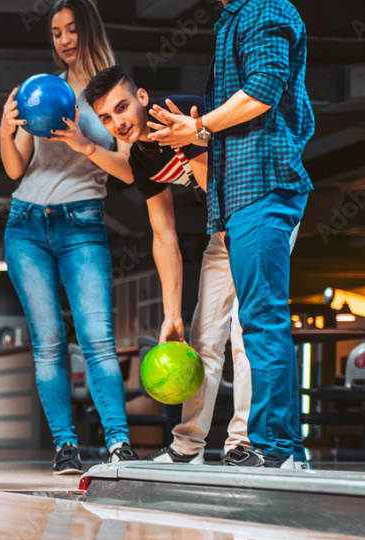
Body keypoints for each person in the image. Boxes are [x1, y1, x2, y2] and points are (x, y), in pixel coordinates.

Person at [147, 0, 313, 469]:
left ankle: (278, 448)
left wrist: (198, 124)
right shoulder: (232, 19)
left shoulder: (264, 9)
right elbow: (241, 120)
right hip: (240, 198)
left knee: (261, 321)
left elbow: (262, 92)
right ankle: (264, 444)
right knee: (254, 322)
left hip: (265, 186)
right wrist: (198, 135)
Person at [85, 65, 252, 466]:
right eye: (105, 117)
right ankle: (188, 446)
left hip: (256, 216)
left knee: (246, 333)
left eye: (121, 107)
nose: (117, 123)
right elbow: (164, 235)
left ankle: (245, 443)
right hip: (223, 228)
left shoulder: (179, 112)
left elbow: (216, 187)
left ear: (142, 97)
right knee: (202, 335)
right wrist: (170, 314)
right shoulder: (142, 158)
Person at [0, 0, 138, 475]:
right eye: (56, 32)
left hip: (82, 222)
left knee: (97, 338)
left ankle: (119, 443)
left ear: (89, 29)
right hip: (27, 225)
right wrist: (5, 126)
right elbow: (15, 167)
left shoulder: (113, 93)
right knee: (49, 342)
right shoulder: (43, 90)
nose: (63, 40)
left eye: (72, 29)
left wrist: (84, 143)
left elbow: (125, 170)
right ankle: (66, 447)